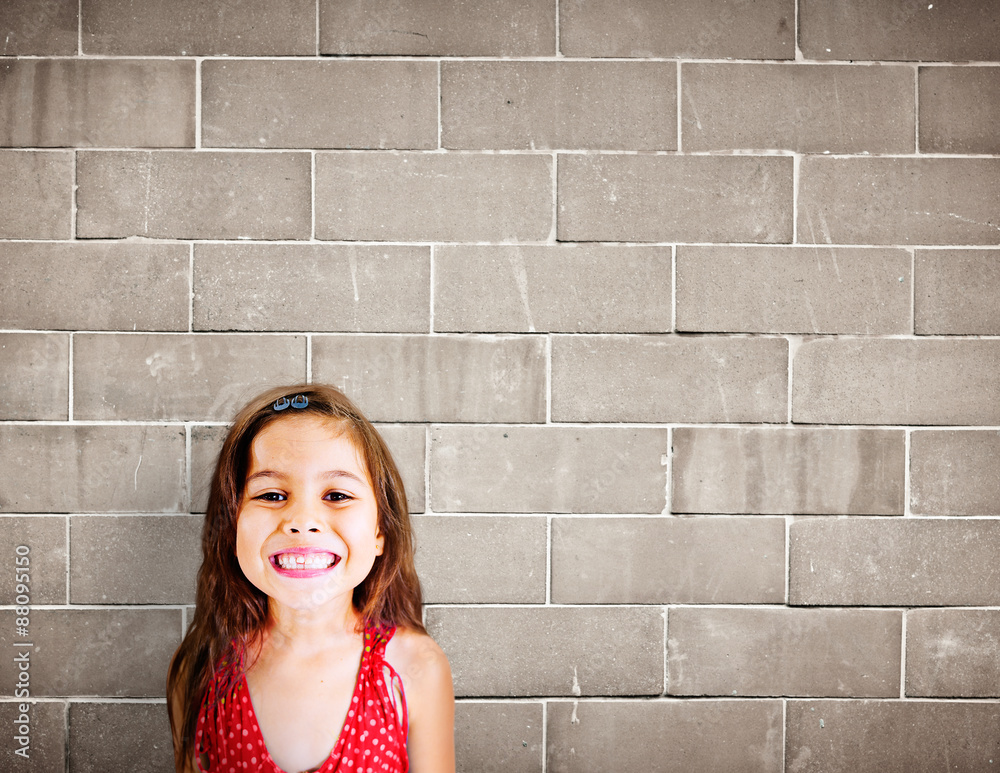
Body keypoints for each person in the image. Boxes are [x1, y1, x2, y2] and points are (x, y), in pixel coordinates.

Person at [167, 384, 454, 773]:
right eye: (271, 495)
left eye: (337, 495)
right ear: (232, 530)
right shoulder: (202, 668)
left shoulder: (415, 666)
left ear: (379, 533)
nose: (302, 521)